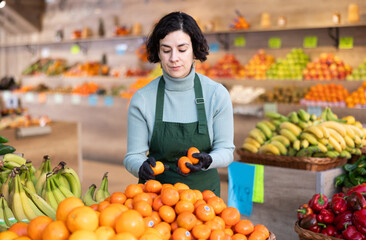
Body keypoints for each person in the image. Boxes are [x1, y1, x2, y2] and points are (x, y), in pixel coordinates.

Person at [123, 11, 234, 196]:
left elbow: (226, 150)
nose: (174, 58)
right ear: (158, 52)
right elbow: (132, 156)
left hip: (205, 201)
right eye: (166, 50)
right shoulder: (143, 98)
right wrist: (140, 166)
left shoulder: (216, 94)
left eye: (182, 49)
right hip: (156, 201)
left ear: (194, 50)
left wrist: (209, 160)